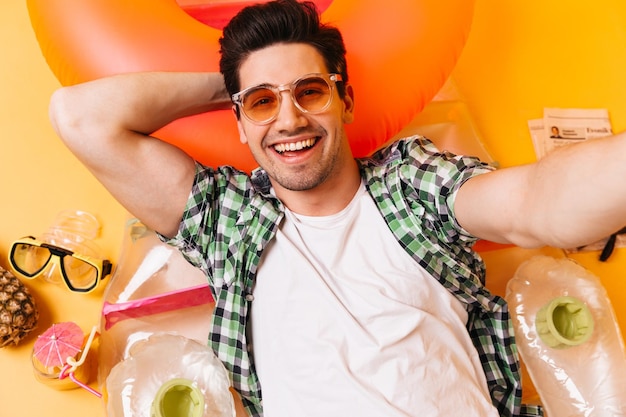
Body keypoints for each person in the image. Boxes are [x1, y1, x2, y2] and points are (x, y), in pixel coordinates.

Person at [48, 1, 626, 416]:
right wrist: (237, 87)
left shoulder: (412, 184)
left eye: (311, 92)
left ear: (345, 100)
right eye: (265, 104)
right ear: (241, 124)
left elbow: (536, 203)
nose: (291, 119)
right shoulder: (227, 220)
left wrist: (259, 92)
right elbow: (79, 117)